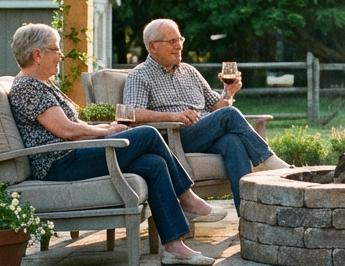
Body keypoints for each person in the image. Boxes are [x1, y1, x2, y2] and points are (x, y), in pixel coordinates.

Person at [5, 23, 224, 266]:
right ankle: (188, 198)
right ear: (37, 54)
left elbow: (72, 126)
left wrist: (104, 129)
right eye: (56, 49)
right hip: (60, 164)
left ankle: (174, 247)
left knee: (153, 163)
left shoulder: (42, 84)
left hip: (75, 154)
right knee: (149, 134)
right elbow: (65, 130)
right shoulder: (27, 87)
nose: (60, 55)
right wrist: (106, 131)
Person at [123, 18, 289, 215]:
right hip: (172, 139)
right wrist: (174, 116)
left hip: (202, 133)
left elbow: (216, 105)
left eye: (180, 40)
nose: (179, 46)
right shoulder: (139, 75)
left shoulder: (189, 71)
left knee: (232, 141)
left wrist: (229, 93)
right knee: (228, 114)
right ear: (153, 46)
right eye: (172, 42)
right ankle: (267, 159)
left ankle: (248, 216)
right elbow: (132, 113)